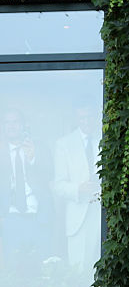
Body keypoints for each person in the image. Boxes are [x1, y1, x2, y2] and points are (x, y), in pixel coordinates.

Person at [53, 104, 102, 284]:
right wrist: (77, 189)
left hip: (103, 212)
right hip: (78, 215)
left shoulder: (105, 138)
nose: (86, 121)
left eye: (89, 117)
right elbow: (58, 185)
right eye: (82, 118)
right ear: (76, 119)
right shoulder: (64, 144)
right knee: (79, 271)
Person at [0, 108, 50, 279]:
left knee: (40, 270)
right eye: (7, 122)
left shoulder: (38, 147)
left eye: (15, 122)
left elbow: (50, 176)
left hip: (37, 218)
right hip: (10, 219)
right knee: (12, 271)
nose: (11, 126)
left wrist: (33, 158)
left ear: (24, 125)